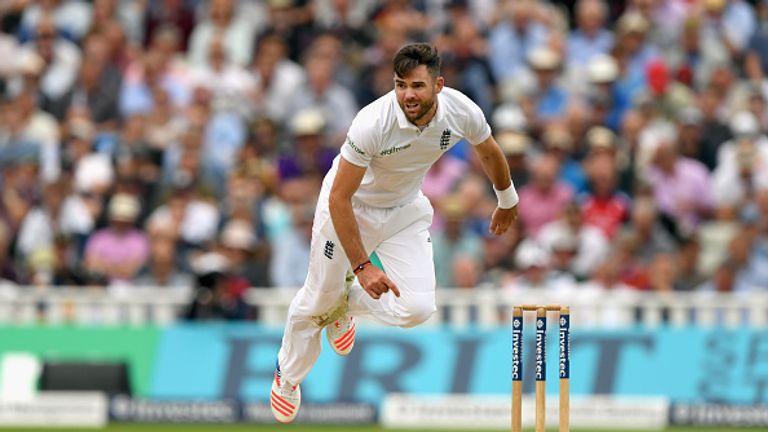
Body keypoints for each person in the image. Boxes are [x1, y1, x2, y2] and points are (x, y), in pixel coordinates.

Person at [270, 43, 519, 423]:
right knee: (318, 300)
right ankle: (288, 376)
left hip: (404, 209)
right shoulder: (373, 121)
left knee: (417, 308)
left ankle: (344, 303)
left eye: (417, 86)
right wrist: (363, 266)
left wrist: (507, 198)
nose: (408, 95)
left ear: (438, 84)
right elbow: (340, 197)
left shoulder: (460, 110)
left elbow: (487, 150)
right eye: (401, 85)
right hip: (350, 207)